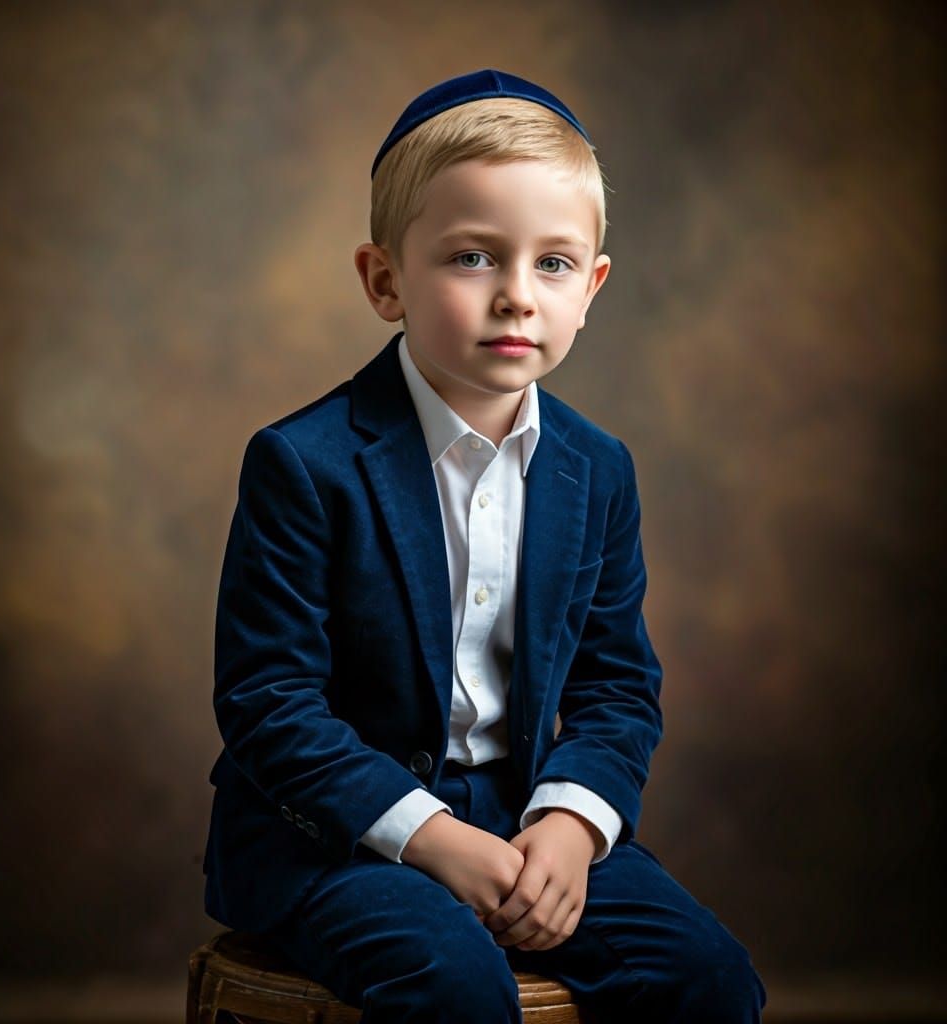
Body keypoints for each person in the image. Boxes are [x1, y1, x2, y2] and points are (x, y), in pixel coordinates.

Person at [203, 69, 766, 1022]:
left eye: (552, 264)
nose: (516, 296)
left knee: (707, 978)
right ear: (386, 281)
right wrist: (432, 840)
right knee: (452, 984)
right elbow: (269, 704)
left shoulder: (599, 469)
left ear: (590, 289)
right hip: (336, 837)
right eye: (472, 259)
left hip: (525, 821)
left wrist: (572, 825)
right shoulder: (303, 463)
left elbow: (616, 685)